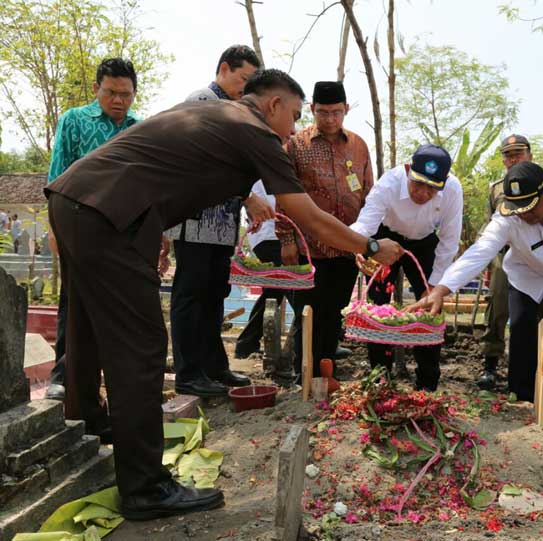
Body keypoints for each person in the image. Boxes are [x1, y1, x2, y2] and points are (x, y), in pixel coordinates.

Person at [45, 68, 403, 520]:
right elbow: (305, 215)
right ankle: (145, 488)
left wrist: (245, 200)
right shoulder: (255, 130)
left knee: (86, 325)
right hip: (110, 213)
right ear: (273, 105)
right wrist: (369, 245)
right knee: (142, 344)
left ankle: (90, 424)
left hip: (74, 198)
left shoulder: (216, 114)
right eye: (293, 115)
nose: (293, 129)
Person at [410, 162, 543, 419]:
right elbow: (479, 252)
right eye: (519, 210)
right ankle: (522, 401)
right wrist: (442, 289)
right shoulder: (507, 217)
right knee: (520, 329)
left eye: (531, 208)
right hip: (526, 270)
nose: (525, 215)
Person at [44, 57, 141, 403]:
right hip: (77, 226)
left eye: (126, 94)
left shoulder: (138, 128)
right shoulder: (74, 121)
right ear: (97, 89)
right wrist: (55, 229)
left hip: (120, 232)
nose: (118, 101)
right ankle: (63, 377)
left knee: (117, 310)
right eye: (111, 92)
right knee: (74, 303)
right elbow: (57, 174)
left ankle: (114, 386)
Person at [167, 45, 260, 398]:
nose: (246, 88)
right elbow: (205, 163)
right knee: (190, 295)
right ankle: (189, 372)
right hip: (195, 219)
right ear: (224, 68)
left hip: (221, 224)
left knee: (214, 295)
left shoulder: (234, 108)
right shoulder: (203, 101)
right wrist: (246, 195)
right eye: (243, 79)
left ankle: (215, 366)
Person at [279, 81, 373, 379]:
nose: (330, 119)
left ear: (346, 110)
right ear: (312, 110)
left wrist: (366, 241)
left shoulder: (358, 145)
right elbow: (283, 195)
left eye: (336, 112)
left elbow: (369, 195)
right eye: (323, 112)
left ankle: (326, 373)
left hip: (347, 244)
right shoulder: (296, 145)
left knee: (334, 313)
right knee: (308, 314)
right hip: (309, 246)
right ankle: (302, 374)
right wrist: (287, 238)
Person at [351, 144, 463, 391]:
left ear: (444, 183)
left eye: (432, 188)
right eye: (417, 184)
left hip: (424, 243)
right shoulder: (388, 183)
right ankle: (380, 378)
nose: (422, 193)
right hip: (385, 237)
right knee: (377, 308)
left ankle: (427, 383)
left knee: (430, 308)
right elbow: (366, 222)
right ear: (407, 170)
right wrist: (361, 247)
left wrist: (434, 287)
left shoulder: (454, 190)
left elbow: (449, 241)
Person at [478, 134, 543, 392]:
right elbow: (489, 225)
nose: (513, 158)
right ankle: (490, 365)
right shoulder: (496, 189)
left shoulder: (542, 183)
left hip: (536, 257)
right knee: (497, 309)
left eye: (518, 152)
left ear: (530, 155)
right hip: (504, 257)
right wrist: (486, 263)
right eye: (508, 154)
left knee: (542, 311)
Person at [233, 180, 289, 358]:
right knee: (284, 285)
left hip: (274, 233)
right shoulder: (261, 166)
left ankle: (246, 343)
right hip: (268, 234)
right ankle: (246, 342)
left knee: (274, 289)